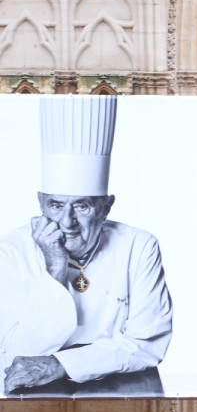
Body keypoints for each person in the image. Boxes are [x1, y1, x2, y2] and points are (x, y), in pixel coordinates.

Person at [0, 95, 173, 396]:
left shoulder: (138, 245)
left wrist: (59, 364)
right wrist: (54, 270)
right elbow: (17, 353)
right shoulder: (11, 250)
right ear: (41, 203)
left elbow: (147, 344)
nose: (67, 222)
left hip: (125, 391)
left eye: (81, 207)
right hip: (36, 395)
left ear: (106, 207)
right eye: (55, 205)